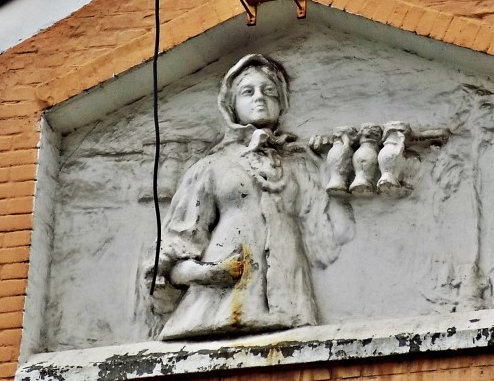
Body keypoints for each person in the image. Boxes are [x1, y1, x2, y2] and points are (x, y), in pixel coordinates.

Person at [149, 54, 354, 340]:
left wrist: (331, 167)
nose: (260, 97)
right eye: (248, 92)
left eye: (269, 91)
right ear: (231, 106)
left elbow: (328, 233)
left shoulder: (299, 163)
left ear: (281, 103)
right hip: (221, 304)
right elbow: (177, 249)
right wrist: (208, 274)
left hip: (290, 302)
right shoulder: (211, 167)